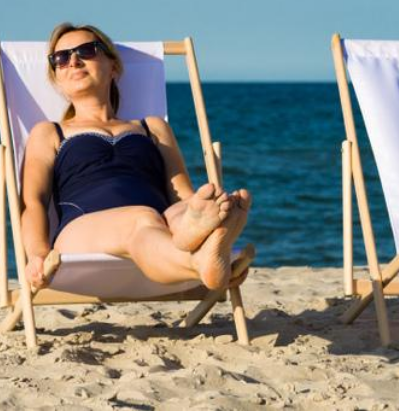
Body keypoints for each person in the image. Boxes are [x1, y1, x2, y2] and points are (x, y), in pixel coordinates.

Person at [20, 22, 249, 292]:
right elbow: (33, 202)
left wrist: (200, 208)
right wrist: (37, 252)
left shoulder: (152, 127)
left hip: (160, 222)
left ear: (113, 66)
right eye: (61, 58)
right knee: (142, 217)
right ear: (57, 78)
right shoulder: (49, 132)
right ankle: (204, 260)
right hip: (81, 232)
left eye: (87, 51)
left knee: (183, 211)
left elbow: (181, 194)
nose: (73, 61)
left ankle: (204, 250)